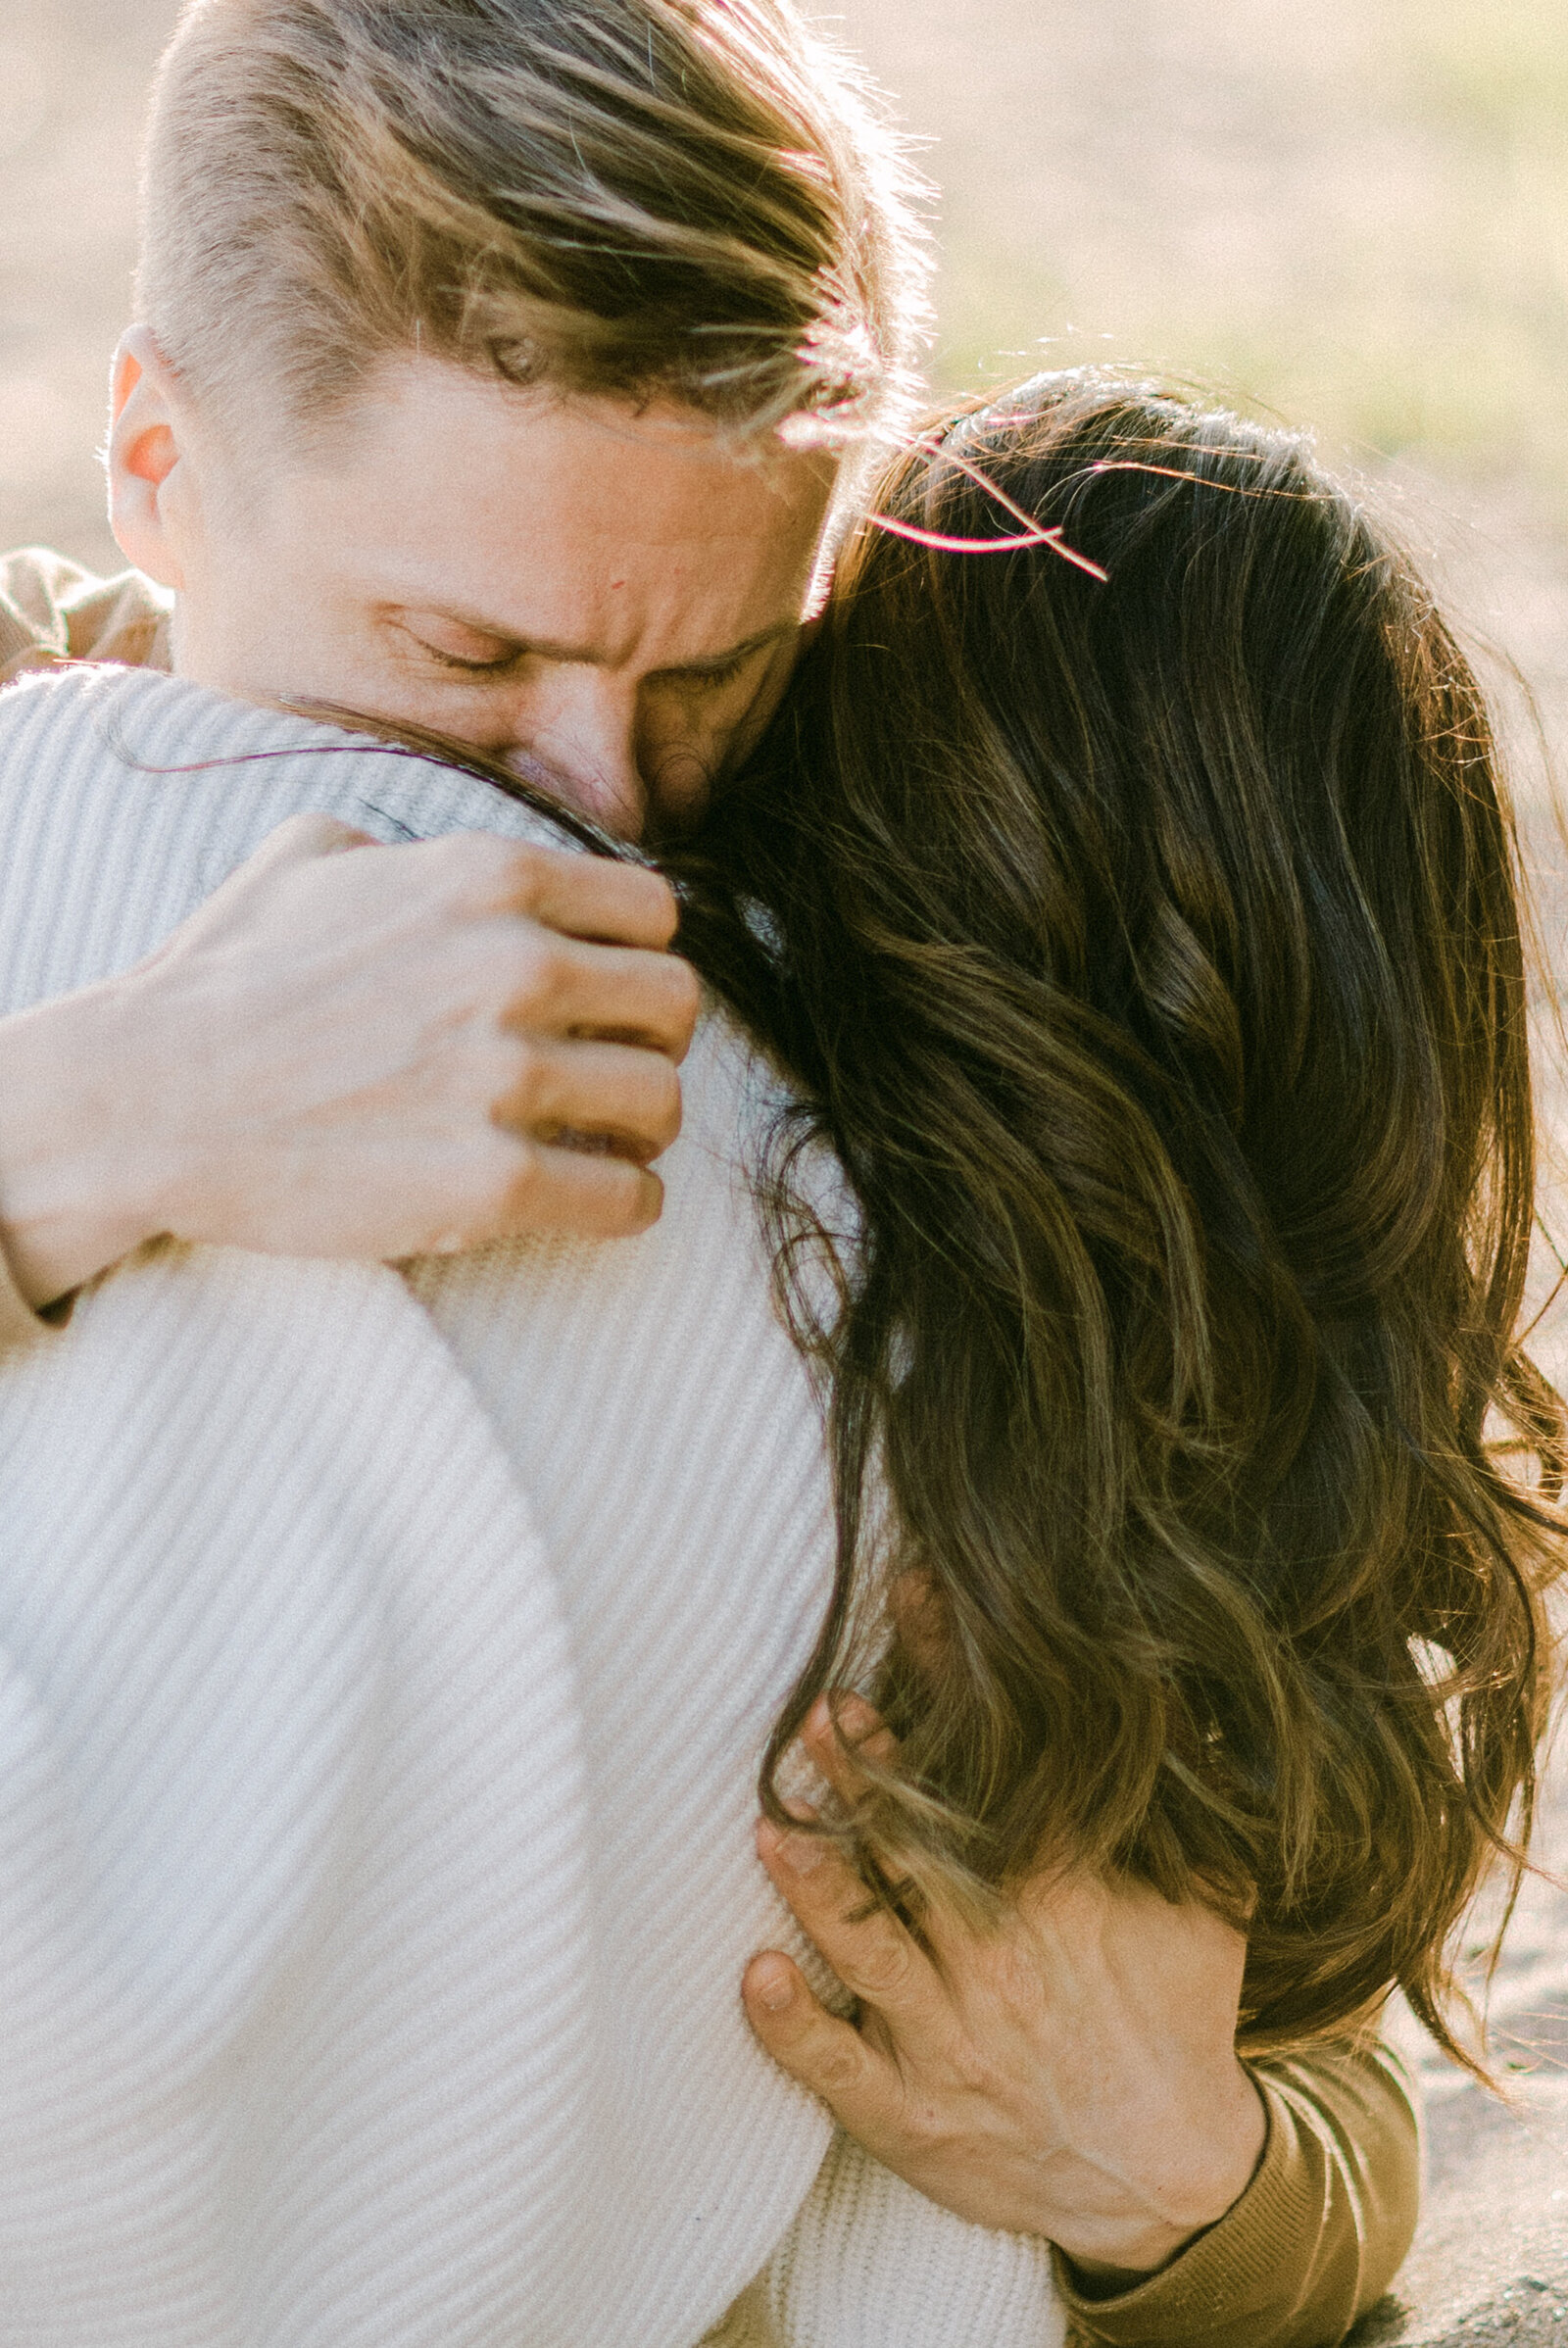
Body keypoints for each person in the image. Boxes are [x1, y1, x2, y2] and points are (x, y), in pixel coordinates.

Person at [0, 1, 1423, 2338]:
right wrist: (111, 1112)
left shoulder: (867, 867)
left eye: (714, 669)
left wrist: (1191, 2179)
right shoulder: (50, 782)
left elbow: (1277, 2005)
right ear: (155, 466)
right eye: (459, 649)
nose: (601, 794)